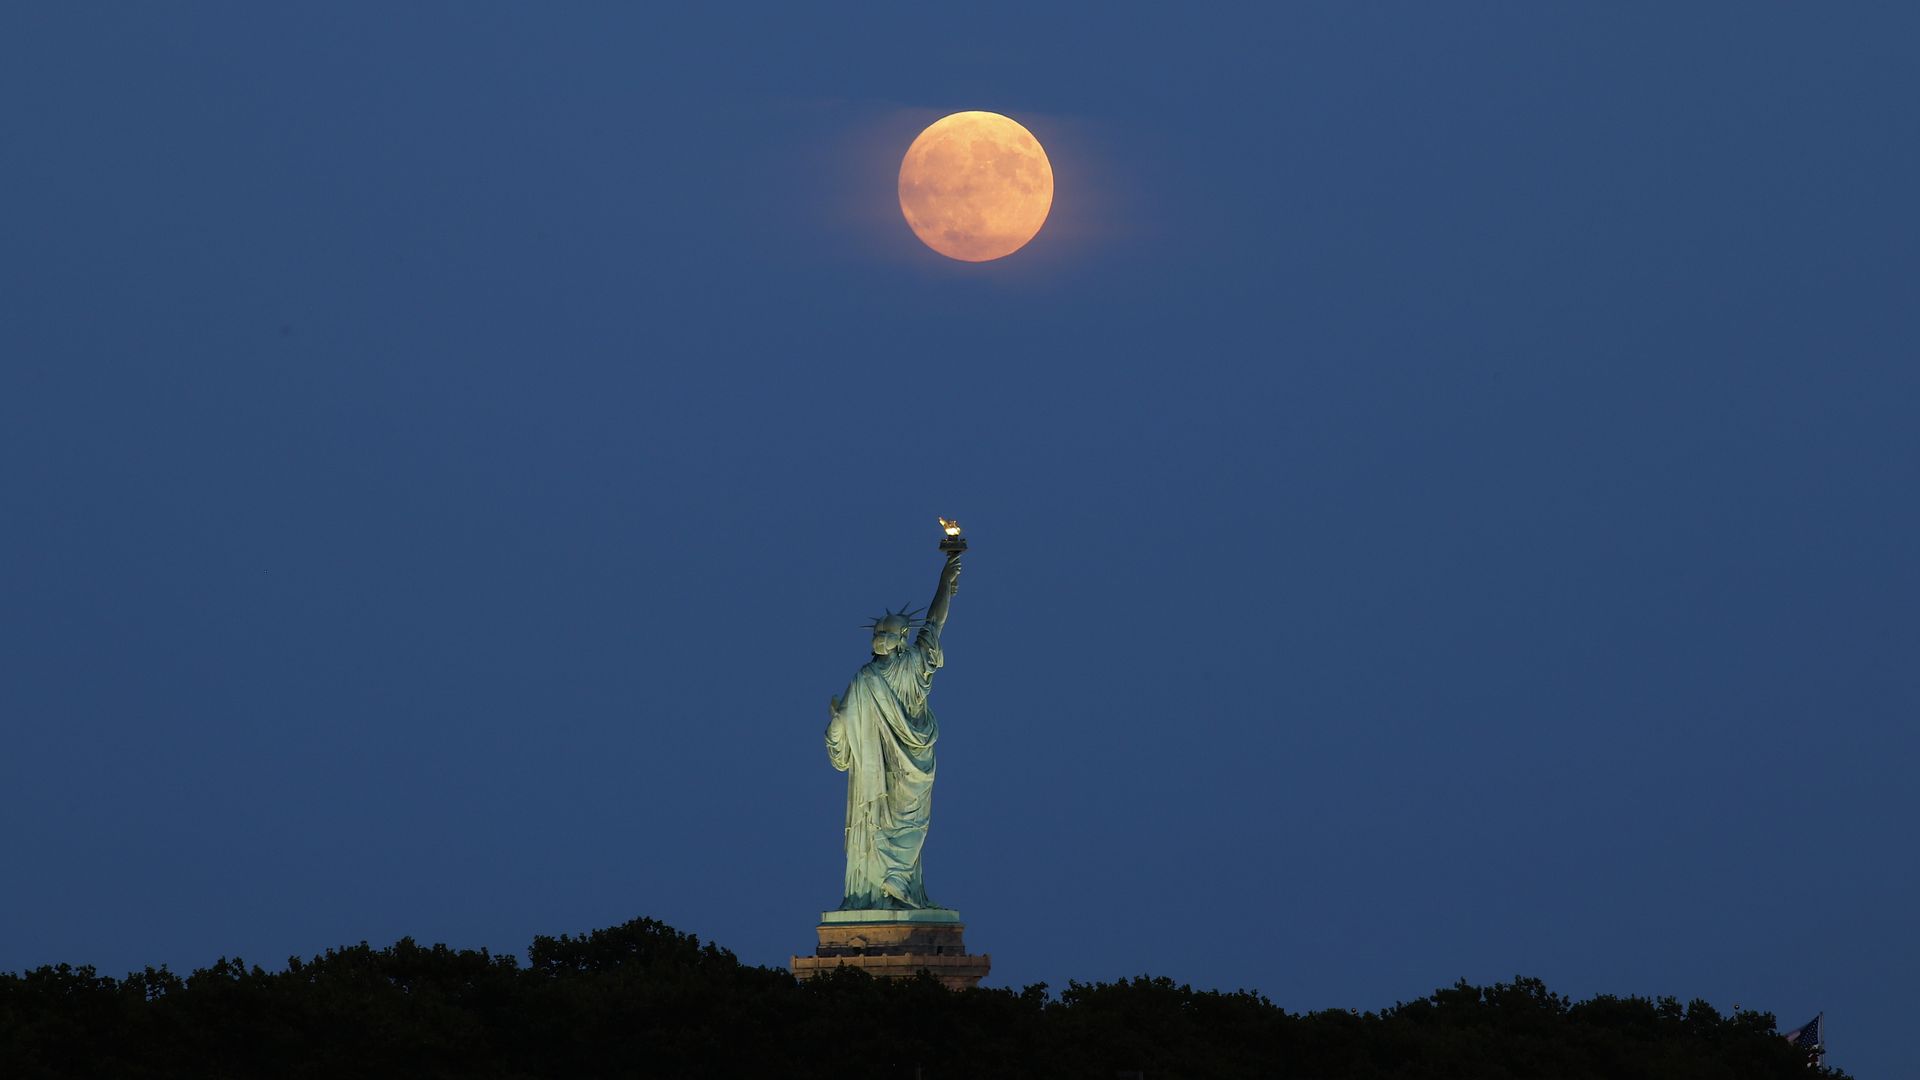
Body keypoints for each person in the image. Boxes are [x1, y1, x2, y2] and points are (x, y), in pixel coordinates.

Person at [824, 551, 962, 909]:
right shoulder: (912, 665)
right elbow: (935, 622)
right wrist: (945, 581)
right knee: (907, 825)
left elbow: (839, 741)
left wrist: (837, 723)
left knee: (879, 821)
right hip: (914, 768)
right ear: (903, 637)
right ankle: (895, 885)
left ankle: (886, 888)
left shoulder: (865, 678)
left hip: (886, 775)